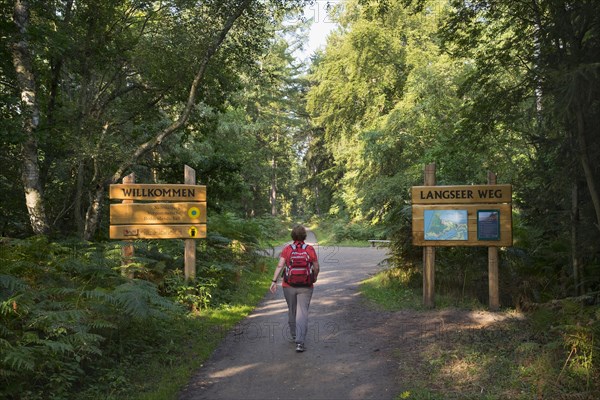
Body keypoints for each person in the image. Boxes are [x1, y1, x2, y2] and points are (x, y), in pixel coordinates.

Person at [270, 225, 319, 353]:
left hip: (288, 285)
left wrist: (274, 281)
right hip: (306, 286)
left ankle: (294, 335)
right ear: (304, 236)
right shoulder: (310, 249)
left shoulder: (287, 249)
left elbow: (280, 265)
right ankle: (300, 342)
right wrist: (314, 277)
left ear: (292, 236)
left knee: (292, 310)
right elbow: (316, 266)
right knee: (302, 312)